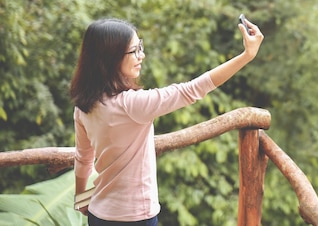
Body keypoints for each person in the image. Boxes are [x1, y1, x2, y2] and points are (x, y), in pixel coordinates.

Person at [70, 17, 263, 225]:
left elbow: (83, 159)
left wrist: (81, 199)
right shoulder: (132, 104)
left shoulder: (84, 106)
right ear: (111, 58)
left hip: (99, 214)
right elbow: (193, 89)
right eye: (134, 51)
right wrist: (247, 56)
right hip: (135, 216)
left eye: (140, 47)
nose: (141, 55)